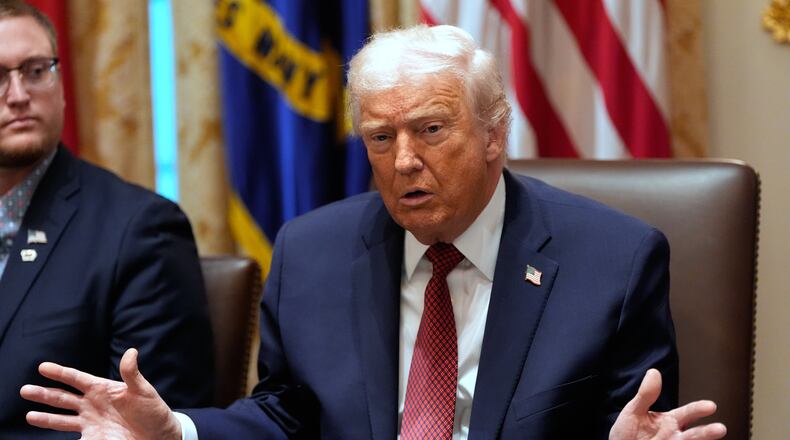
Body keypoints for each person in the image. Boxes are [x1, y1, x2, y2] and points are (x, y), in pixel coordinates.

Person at [20, 24, 726, 439]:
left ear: (493, 133)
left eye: (431, 130)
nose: (405, 161)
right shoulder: (313, 252)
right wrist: (177, 431)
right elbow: (287, 416)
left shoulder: (613, 260)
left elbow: (633, 421)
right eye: (380, 137)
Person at [0, 1, 214, 437]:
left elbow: (155, 424)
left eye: (36, 70)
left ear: (61, 85)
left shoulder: (142, 229)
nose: (18, 94)